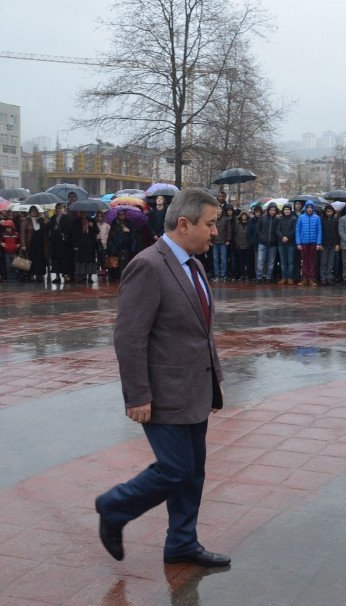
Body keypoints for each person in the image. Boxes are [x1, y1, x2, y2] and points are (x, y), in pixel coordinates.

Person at [94, 188, 229, 568]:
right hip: (162, 392)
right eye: (210, 224)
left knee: (193, 471)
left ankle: (182, 543)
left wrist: (214, 379)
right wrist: (136, 395)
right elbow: (129, 336)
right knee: (175, 468)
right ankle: (113, 506)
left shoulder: (194, 265)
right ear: (184, 224)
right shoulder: (148, 266)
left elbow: (200, 333)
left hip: (195, 390)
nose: (215, 232)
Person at [295, 201, 322, 286]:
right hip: (304, 243)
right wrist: (298, 243)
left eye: (311, 207)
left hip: (313, 243)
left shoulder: (317, 218)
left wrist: (318, 243)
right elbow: (297, 231)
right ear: (305, 208)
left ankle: (311, 278)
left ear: (313, 208)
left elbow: (319, 231)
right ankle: (304, 278)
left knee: (312, 261)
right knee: (304, 261)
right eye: (308, 207)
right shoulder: (301, 217)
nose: (309, 209)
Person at [21, 206, 49, 283]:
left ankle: (39, 275)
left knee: (40, 260)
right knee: (30, 259)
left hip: (40, 244)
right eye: (32, 211)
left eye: (35, 211)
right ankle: (30, 275)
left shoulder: (41, 220)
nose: (34, 213)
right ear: (30, 212)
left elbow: (45, 230)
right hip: (30, 244)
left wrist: (46, 220)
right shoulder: (26, 221)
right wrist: (23, 245)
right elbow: (22, 234)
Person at [72, 212, 101, 283]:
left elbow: (97, 231)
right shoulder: (76, 221)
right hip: (80, 245)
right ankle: (82, 276)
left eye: (84, 213)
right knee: (81, 261)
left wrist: (91, 226)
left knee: (90, 260)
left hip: (90, 244)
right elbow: (74, 234)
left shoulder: (92, 220)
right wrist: (75, 245)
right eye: (82, 213)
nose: (83, 215)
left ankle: (90, 276)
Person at [106, 209, 135, 282]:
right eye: (120, 214)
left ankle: (124, 276)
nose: (122, 216)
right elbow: (111, 236)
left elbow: (133, 236)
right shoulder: (114, 223)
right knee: (116, 262)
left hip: (126, 247)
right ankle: (116, 276)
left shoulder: (129, 223)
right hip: (116, 247)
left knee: (124, 262)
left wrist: (129, 231)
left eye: (123, 214)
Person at [256, 203, 280, 283]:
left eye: (274, 210)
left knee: (271, 262)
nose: (272, 212)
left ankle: (268, 277)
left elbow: (278, 230)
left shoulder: (277, 220)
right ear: (268, 210)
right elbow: (258, 228)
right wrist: (261, 236)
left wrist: (275, 239)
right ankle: (259, 277)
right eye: (271, 210)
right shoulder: (262, 218)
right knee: (260, 260)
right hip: (262, 243)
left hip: (273, 244)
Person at [319, 204, 340, 285]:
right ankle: (323, 278)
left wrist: (337, 244)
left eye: (330, 211)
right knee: (323, 262)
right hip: (324, 244)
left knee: (331, 262)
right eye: (327, 211)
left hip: (333, 244)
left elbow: (337, 233)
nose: (329, 213)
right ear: (325, 212)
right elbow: (320, 232)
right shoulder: (322, 220)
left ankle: (328, 277)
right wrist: (320, 243)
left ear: (333, 212)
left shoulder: (335, 220)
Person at [277, 203, 297, 284]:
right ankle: (284, 277)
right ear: (283, 210)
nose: (287, 211)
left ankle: (290, 277)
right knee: (283, 261)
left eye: (288, 209)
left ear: (291, 210)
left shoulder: (294, 219)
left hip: (291, 243)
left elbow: (294, 230)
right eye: (285, 209)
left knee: (290, 261)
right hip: (281, 243)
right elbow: (277, 230)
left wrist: (287, 237)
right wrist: (282, 237)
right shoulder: (280, 219)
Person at [233, 210, 254, 282]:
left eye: (245, 215)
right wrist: (237, 242)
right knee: (241, 261)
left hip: (248, 245)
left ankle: (247, 275)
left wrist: (250, 242)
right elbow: (235, 233)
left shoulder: (250, 223)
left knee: (248, 261)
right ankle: (242, 275)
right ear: (241, 216)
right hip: (239, 245)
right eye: (243, 215)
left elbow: (251, 233)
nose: (244, 216)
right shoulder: (237, 223)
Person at [211, 205, 231, 280]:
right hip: (214, 241)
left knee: (223, 259)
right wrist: (210, 240)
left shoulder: (226, 219)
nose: (219, 211)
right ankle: (216, 275)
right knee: (215, 259)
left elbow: (229, 230)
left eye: (220, 209)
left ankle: (223, 275)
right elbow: (210, 229)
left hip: (223, 241)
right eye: (217, 209)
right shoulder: (213, 218)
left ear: (222, 210)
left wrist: (228, 239)